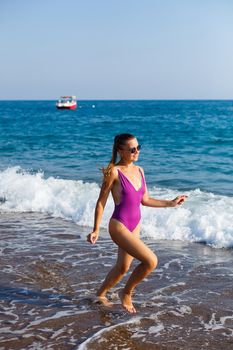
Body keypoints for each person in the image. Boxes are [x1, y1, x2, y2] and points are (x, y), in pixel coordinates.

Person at [87, 133, 187, 313]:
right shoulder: (114, 172)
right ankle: (126, 293)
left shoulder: (140, 170)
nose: (136, 152)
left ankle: (100, 294)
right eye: (132, 149)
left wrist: (170, 203)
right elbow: (101, 202)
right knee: (151, 261)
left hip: (135, 225)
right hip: (119, 225)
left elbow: (145, 200)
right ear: (121, 151)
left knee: (122, 267)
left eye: (138, 148)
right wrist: (95, 229)